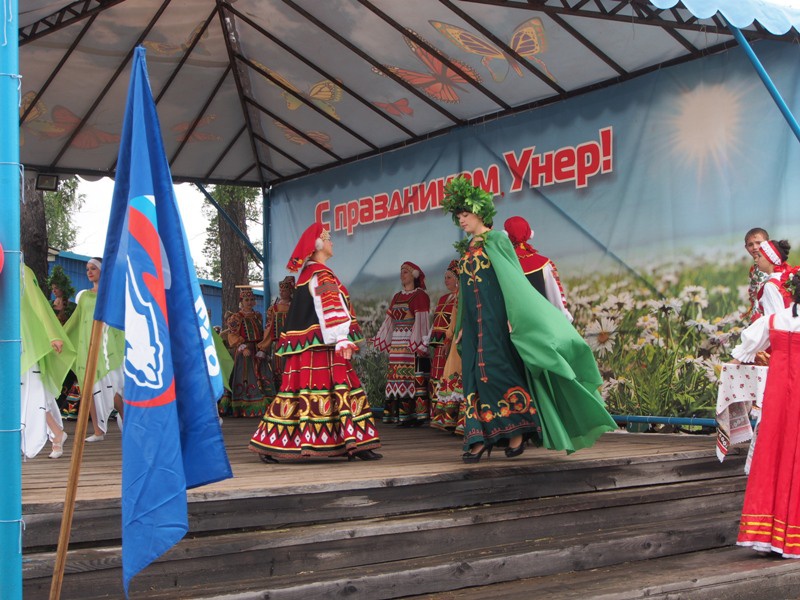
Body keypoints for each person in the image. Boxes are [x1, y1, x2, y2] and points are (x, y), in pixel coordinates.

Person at [441, 176, 617, 463]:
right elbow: (465, 290)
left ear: (480, 213)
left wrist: (515, 315)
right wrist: (460, 325)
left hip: (497, 320)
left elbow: (513, 282)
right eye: (458, 216)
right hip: (474, 324)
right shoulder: (468, 248)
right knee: (475, 375)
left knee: (499, 370)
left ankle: (517, 431)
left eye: (466, 215)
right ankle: (478, 437)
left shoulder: (497, 239)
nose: (462, 220)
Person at [249, 223, 382, 461]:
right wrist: (342, 338)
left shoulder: (308, 275)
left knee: (304, 392)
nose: (332, 242)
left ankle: (353, 443)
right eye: (328, 238)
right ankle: (353, 443)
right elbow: (330, 308)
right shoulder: (321, 274)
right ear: (318, 245)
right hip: (324, 346)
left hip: (312, 346)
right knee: (334, 390)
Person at [730, 272, 800, 557]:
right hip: (788, 399)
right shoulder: (773, 321)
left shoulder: (773, 321)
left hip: (779, 399)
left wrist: (729, 381)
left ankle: (768, 535)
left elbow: (742, 355)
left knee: (774, 454)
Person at [63, 257, 125, 442]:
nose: (89, 272)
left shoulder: (111, 295)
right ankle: (98, 430)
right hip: (86, 345)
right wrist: (61, 337)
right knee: (87, 386)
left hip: (106, 345)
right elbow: (76, 319)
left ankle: (126, 420)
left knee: (111, 386)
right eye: (87, 269)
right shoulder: (83, 296)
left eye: (93, 268)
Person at [20, 264, 76, 459]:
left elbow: (37, 303)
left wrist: (53, 335)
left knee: (30, 392)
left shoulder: (21, 270)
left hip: (25, 342)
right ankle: (57, 433)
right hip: (10, 340)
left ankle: (56, 434)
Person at [373, 261, 432, 426]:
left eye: (405, 272)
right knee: (398, 377)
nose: (402, 275)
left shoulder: (420, 296)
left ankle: (415, 416)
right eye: (401, 272)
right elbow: (389, 321)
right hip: (397, 344)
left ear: (413, 275)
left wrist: (418, 343)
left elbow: (422, 322)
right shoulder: (397, 296)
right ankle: (401, 415)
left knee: (411, 378)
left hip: (410, 343)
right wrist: (383, 338)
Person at [504, 216, 572, 322]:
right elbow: (555, 296)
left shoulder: (504, 265)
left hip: (516, 323)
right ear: (529, 233)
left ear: (506, 235)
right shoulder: (544, 263)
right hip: (543, 321)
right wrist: (564, 317)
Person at [221, 286, 274, 417]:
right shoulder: (236, 317)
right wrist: (242, 346)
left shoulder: (257, 316)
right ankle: (245, 406)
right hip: (244, 351)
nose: (249, 302)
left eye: (251, 299)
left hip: (257, 349)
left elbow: (262, 333)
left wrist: (263, 349)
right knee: (246, 375)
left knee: (263, 374)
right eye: (246, 300)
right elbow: (232, 335)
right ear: (242, 301)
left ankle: (266, 405)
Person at [429, 260, 460, 431]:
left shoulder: (460, 297)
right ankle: (437, 413)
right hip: (440, 343)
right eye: (445, 278)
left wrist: (449, 339)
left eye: (449, 277)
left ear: (457, 279)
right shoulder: (443, 298)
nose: (446, 281)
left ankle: (451, 416)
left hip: (452, 341)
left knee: (450, 375)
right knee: (438, 376)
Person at [258, 275, 295, 391]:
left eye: (285, 290)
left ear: (290, 291)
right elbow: (269, 328)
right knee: (277, 368)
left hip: (292, 343)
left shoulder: (295, 306)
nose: (282, 292)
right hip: (277, 343)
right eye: (281, 290)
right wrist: (264, 348)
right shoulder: (274, 308)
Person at [755, 239, 793, 318]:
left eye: (759, 256)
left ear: (770, 259)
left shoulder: (771, 286)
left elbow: (775, 320)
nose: (756, 259)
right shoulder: (788, 278)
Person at [742, 228, 770, 323]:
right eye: (750, 244)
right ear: (746, 248)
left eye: (759, 243)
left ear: (768, 243)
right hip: (757, 317)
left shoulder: (774, 265)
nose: (755, 247)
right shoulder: (753, 270)